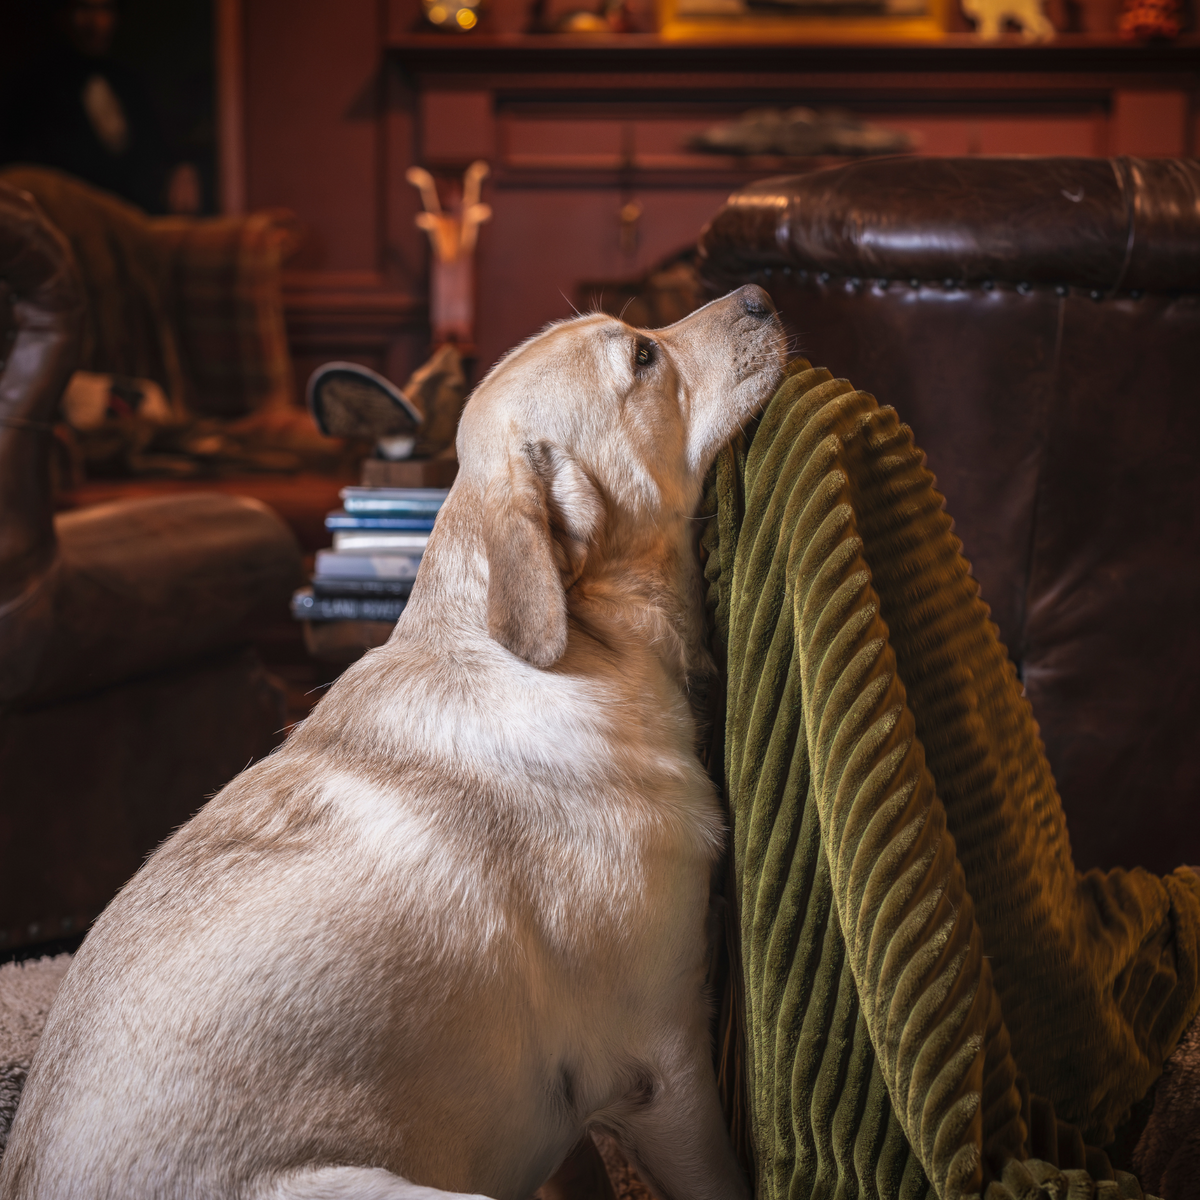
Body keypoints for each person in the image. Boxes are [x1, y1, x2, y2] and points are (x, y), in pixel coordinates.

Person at [0, 0, 200, 214]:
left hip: (132, 219)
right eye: (85, 8)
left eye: (106, 9)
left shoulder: (128, 84)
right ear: (63, 15)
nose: (98, 22)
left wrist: (180, 169)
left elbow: (152, 154)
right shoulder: (34, 86)